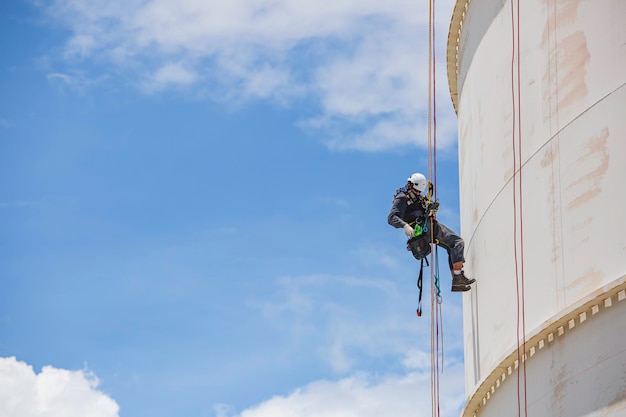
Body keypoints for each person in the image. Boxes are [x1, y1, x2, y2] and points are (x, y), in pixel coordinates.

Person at [388, 173, 475, 292]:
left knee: (452, 246)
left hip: (428, 227)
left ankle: (457, 280)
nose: (418, 194)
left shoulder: (417, 197)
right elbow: (392, 218)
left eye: (419, 192)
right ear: (409, 185)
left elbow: (421, 210)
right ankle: (458, 277)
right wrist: (405, 226)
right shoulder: (402, 198)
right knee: (457, 242)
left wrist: (430, 210)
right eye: (417, 191)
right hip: (425, 229)